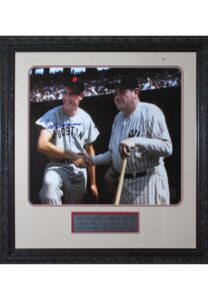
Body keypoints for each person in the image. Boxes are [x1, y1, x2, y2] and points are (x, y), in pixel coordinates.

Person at [80, 77, 173, 205]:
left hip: (148, 182)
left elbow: (167, 148)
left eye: (122, 92)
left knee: (147, 225)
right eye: (115, 94)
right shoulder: (118, 118)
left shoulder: (150, 112)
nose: (117, 97)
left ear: (136, 92)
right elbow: (114, 154)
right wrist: (92, 160)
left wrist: (136, 140)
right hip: (124, 185)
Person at [35, 76, 99, 205]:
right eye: (65, 93)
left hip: (78, 170)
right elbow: (41, 145)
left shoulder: (86, 118)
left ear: (81, 96)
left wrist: (93, 183)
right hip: (56, 166)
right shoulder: (52, 115)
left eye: (72, 94)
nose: (67, 98)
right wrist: (71, 154)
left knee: (72, 210)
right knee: (49, 187)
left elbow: (89, 149)